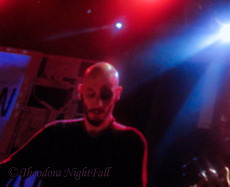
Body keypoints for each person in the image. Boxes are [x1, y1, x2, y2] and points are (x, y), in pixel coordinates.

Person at [0, 61, 147, 186]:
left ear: (118, 93)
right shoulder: (55, 133)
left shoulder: (130, 142)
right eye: (91, 94)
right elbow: (11, 169)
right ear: (80, 91)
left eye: (106, 95)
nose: (98, 103)